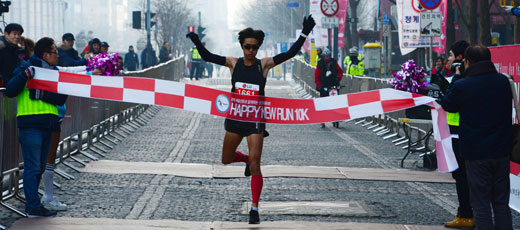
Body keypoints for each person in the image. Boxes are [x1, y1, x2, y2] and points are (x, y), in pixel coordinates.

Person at [186, 15, 315, 224]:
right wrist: (196, 40)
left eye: (255, 47)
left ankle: (254, 208)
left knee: (256, 165)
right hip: (235, 119)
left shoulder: (263, 65)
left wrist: (304, 33)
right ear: (242, 46)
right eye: (247, 47)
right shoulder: (233, 63)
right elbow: (208, 56)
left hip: (255, 121)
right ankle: (244, 159)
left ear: (259, 48)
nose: (251, 51)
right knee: (226, 159)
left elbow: (290, 53)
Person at [440, 44, 513, 230]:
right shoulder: (503, 82)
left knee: (481, 204)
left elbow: (448, 104)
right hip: (502, 150)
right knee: (501, 203)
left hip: (476, 152)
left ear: (467, 62)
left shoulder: (463, 85)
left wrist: (457, 76)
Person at [5, 37, 68, 218]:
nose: (58, 55)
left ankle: (34, 204)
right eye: (55, 52)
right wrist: (24, 76)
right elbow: (10, 90)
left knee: (40, 167)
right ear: (46, 54)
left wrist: (39, 93)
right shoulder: (25, 67)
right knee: (33, 167)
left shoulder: (55, 71)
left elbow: (60, 98)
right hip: (30, 123)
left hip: (49, 123)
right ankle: (32, 206)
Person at [440, 40, 474, 229]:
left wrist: (456, 78)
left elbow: (449, 102)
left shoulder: (462, 80)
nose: (448, 59)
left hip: (459, 133)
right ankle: (466, 213)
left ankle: (466, 214)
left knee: (461, 176)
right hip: (460, 132)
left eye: (451, 55)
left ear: (460, 59)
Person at [314, 48, 343, 128]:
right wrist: (319, 86)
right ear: (323, 57)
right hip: (324, 86)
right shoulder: (320, 64)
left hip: (333, 85)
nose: (327, 58)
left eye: (328, 56)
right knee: (323, 103)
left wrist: (338, 78)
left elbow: (340, 72)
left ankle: (336, 117)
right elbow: (316, 76)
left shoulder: (334, 63)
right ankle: (322, 121)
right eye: (325, 56)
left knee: (335, 102)